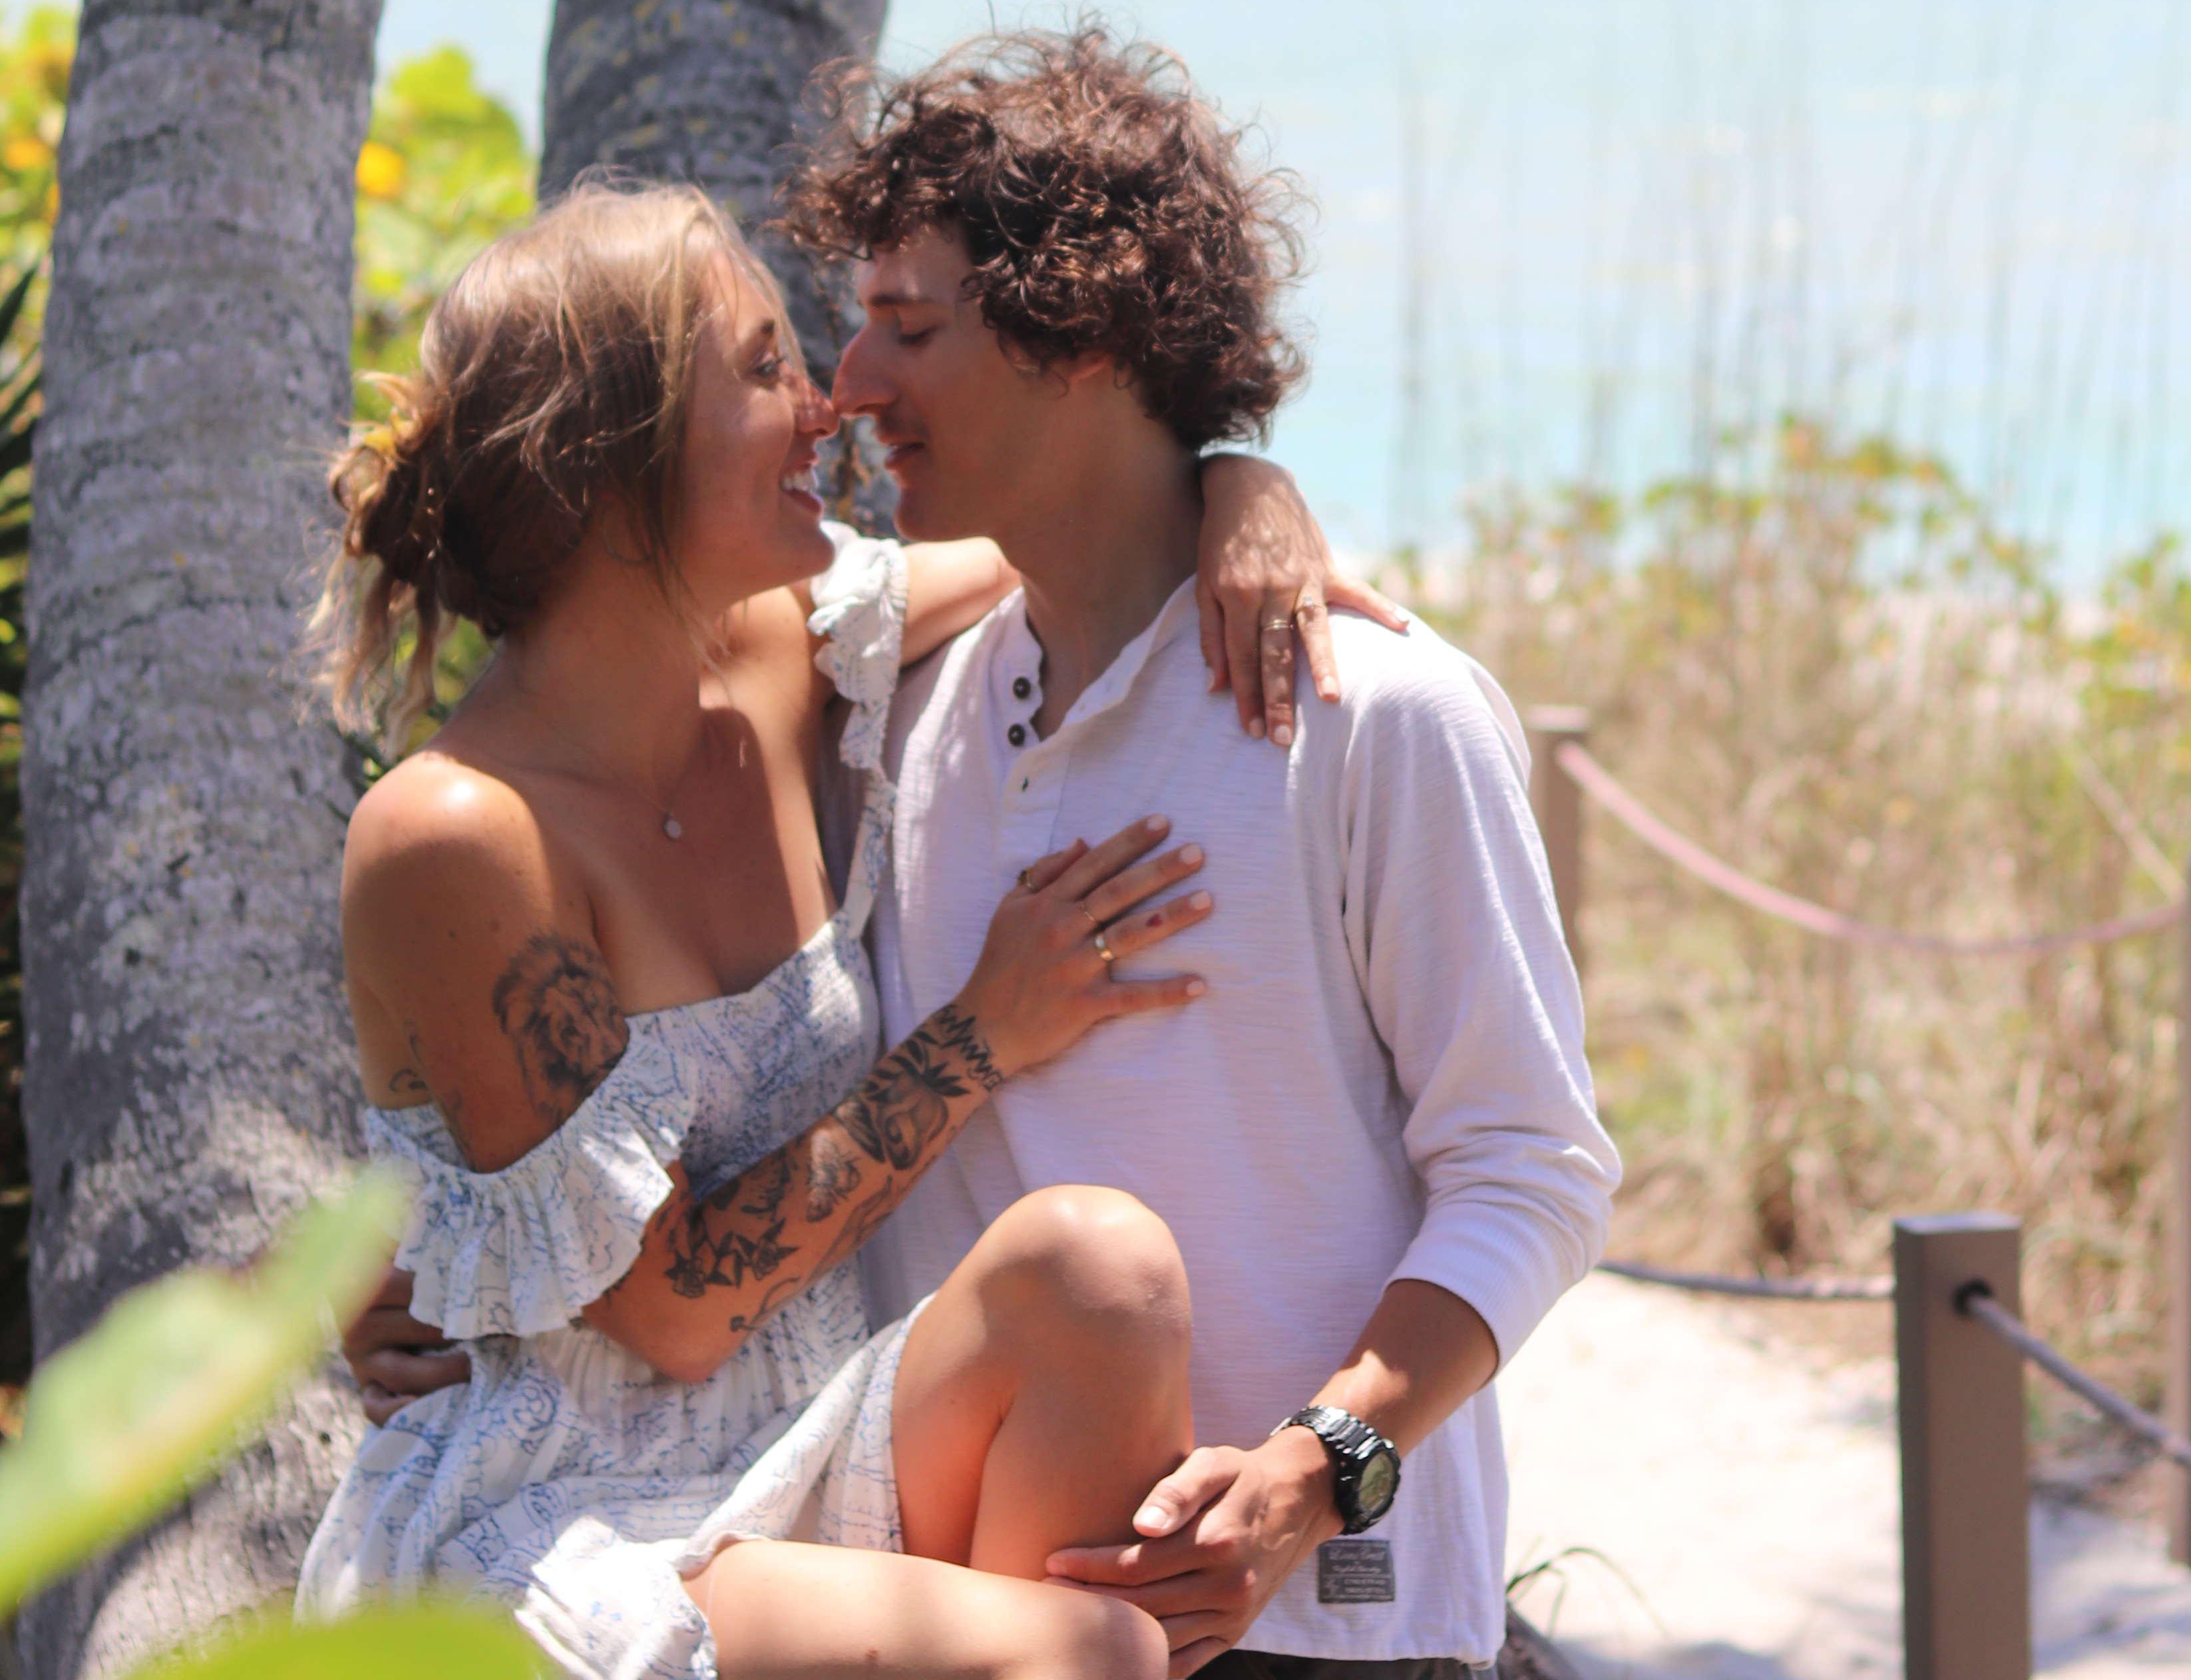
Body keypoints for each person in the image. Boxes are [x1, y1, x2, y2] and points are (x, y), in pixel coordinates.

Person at [299, 183, 1388, 1680]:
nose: (822, 407)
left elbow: (1066, 525)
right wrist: (977, 1037)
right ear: (606, 457)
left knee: (1098, 1271)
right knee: (1094, 1650)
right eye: (757, 369)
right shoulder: (457, 830)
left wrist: (1240, 486)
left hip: (810, 1434)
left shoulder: (787, 648)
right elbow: (672, 1312)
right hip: (563, 1511)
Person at [771, 28, 1621, 1680]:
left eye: (911, 329)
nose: (853, 386)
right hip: (979, 1624)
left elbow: (1532, 1176)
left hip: (1326, 1633)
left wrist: (1314, 1478)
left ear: (1080, 335)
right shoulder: (898, 706)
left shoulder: (1379, 715)